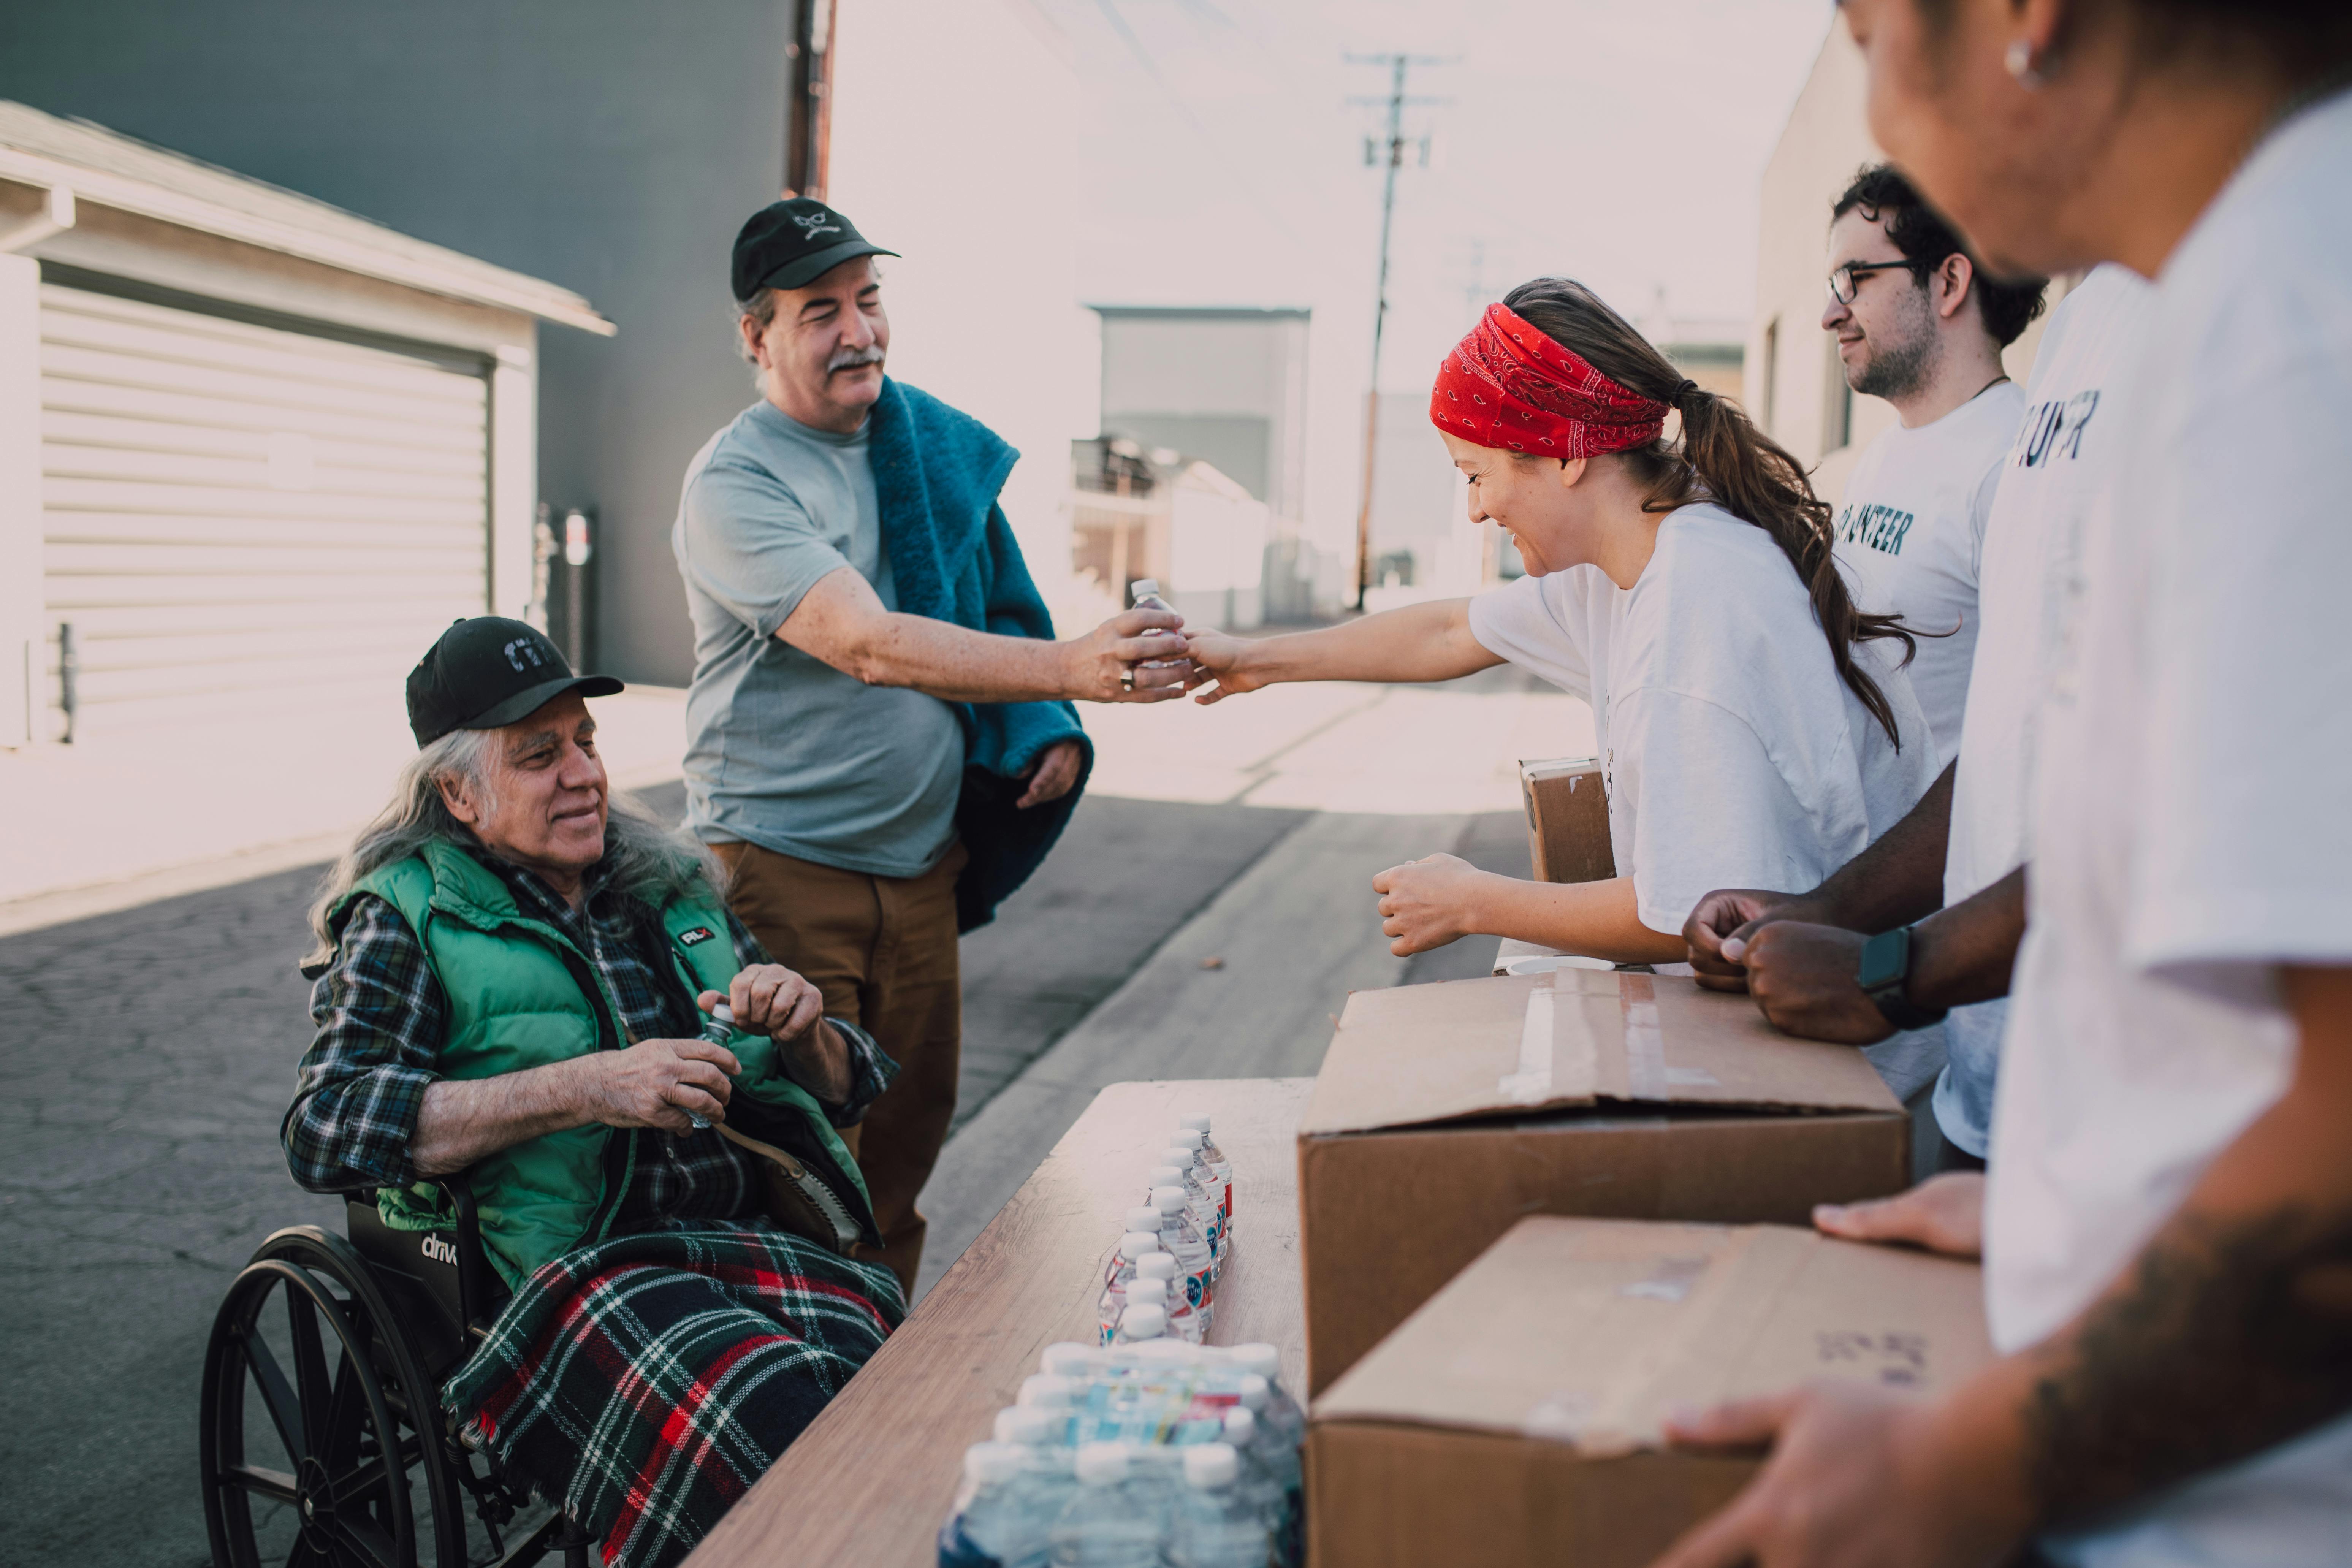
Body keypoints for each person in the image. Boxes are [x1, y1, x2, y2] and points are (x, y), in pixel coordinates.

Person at [1654, 2, 2352, 1565]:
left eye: (1861, 25)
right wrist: (2065, 1217)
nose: (1875, 90)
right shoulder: (2182, 299)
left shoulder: (2292, 305)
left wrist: (1966, 1464)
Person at [285, 617, 904, 1568]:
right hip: (564, 1270)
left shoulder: (669, 887)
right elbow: (327, 1129)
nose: (582, 773)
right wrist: (583, 1086)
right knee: (773, 1414)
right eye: (540, 755)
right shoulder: (408, 912)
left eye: (586, 742)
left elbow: (852, 1081)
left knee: (904, 1397)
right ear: (458, 792)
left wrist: (804, 1027)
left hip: (736, 1239)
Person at [1182, 281, 1939, 1048]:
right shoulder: (1635, 552)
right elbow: (1450, 629)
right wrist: (1254, 659)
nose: (1475, 510)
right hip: (1769, 1032)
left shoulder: (1693, 615)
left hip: (1847, 1072)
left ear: (1565, 453)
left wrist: (1470, 901)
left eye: (1476, 476)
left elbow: (1690, 915)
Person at [673, 198, 1186, 1293]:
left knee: (903, 1146)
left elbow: (991, 602)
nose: (858, 330)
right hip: (779, 867)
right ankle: (800, 1399)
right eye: (822, 311)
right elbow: (865, 642)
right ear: (756, 336)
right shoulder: (736, 483)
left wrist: (1039, 720)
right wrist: (1073, 670)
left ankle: (879, 1366)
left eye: (869, 301)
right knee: (807, 1162)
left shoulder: (922, 442)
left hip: (917, 873)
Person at [1684, 263, 2157, 1171]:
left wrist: (1896, 971)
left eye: (1856, 275)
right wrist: (1825, 909)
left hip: (2152, 1152)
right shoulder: (2080, 329)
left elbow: (2204, 798)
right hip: (2001, 1090)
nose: (1830, 308)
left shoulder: (2257, 281)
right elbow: (2007, 742)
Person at [1822, 165, 2045, 764]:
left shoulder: (2015, 466)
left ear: (1948, 281)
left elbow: (2026, 750)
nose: (1830, 313)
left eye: (1854, 279)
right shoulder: (1881, 455)